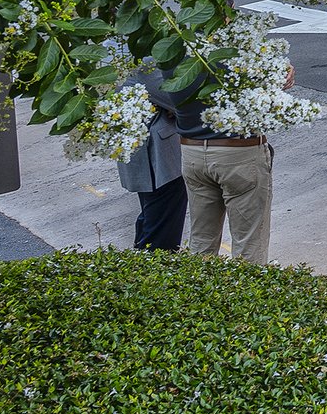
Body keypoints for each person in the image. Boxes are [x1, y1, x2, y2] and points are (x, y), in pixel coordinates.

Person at [179, 61, 297, 264]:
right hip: (239, 151)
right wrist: (277, 70)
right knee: (249, 245)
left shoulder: (178, 50)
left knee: (201, 241)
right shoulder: (236, 52)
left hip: (193, 149)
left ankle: (199, 283)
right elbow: (267, 91)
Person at [115, 75, 185, 251]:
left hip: (144, 154)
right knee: (161, 232)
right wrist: (174, 108)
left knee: (151, 218)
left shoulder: (118, 62)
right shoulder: (145, 66)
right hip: (157, 158)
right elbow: (183, 103)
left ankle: (142, 259)